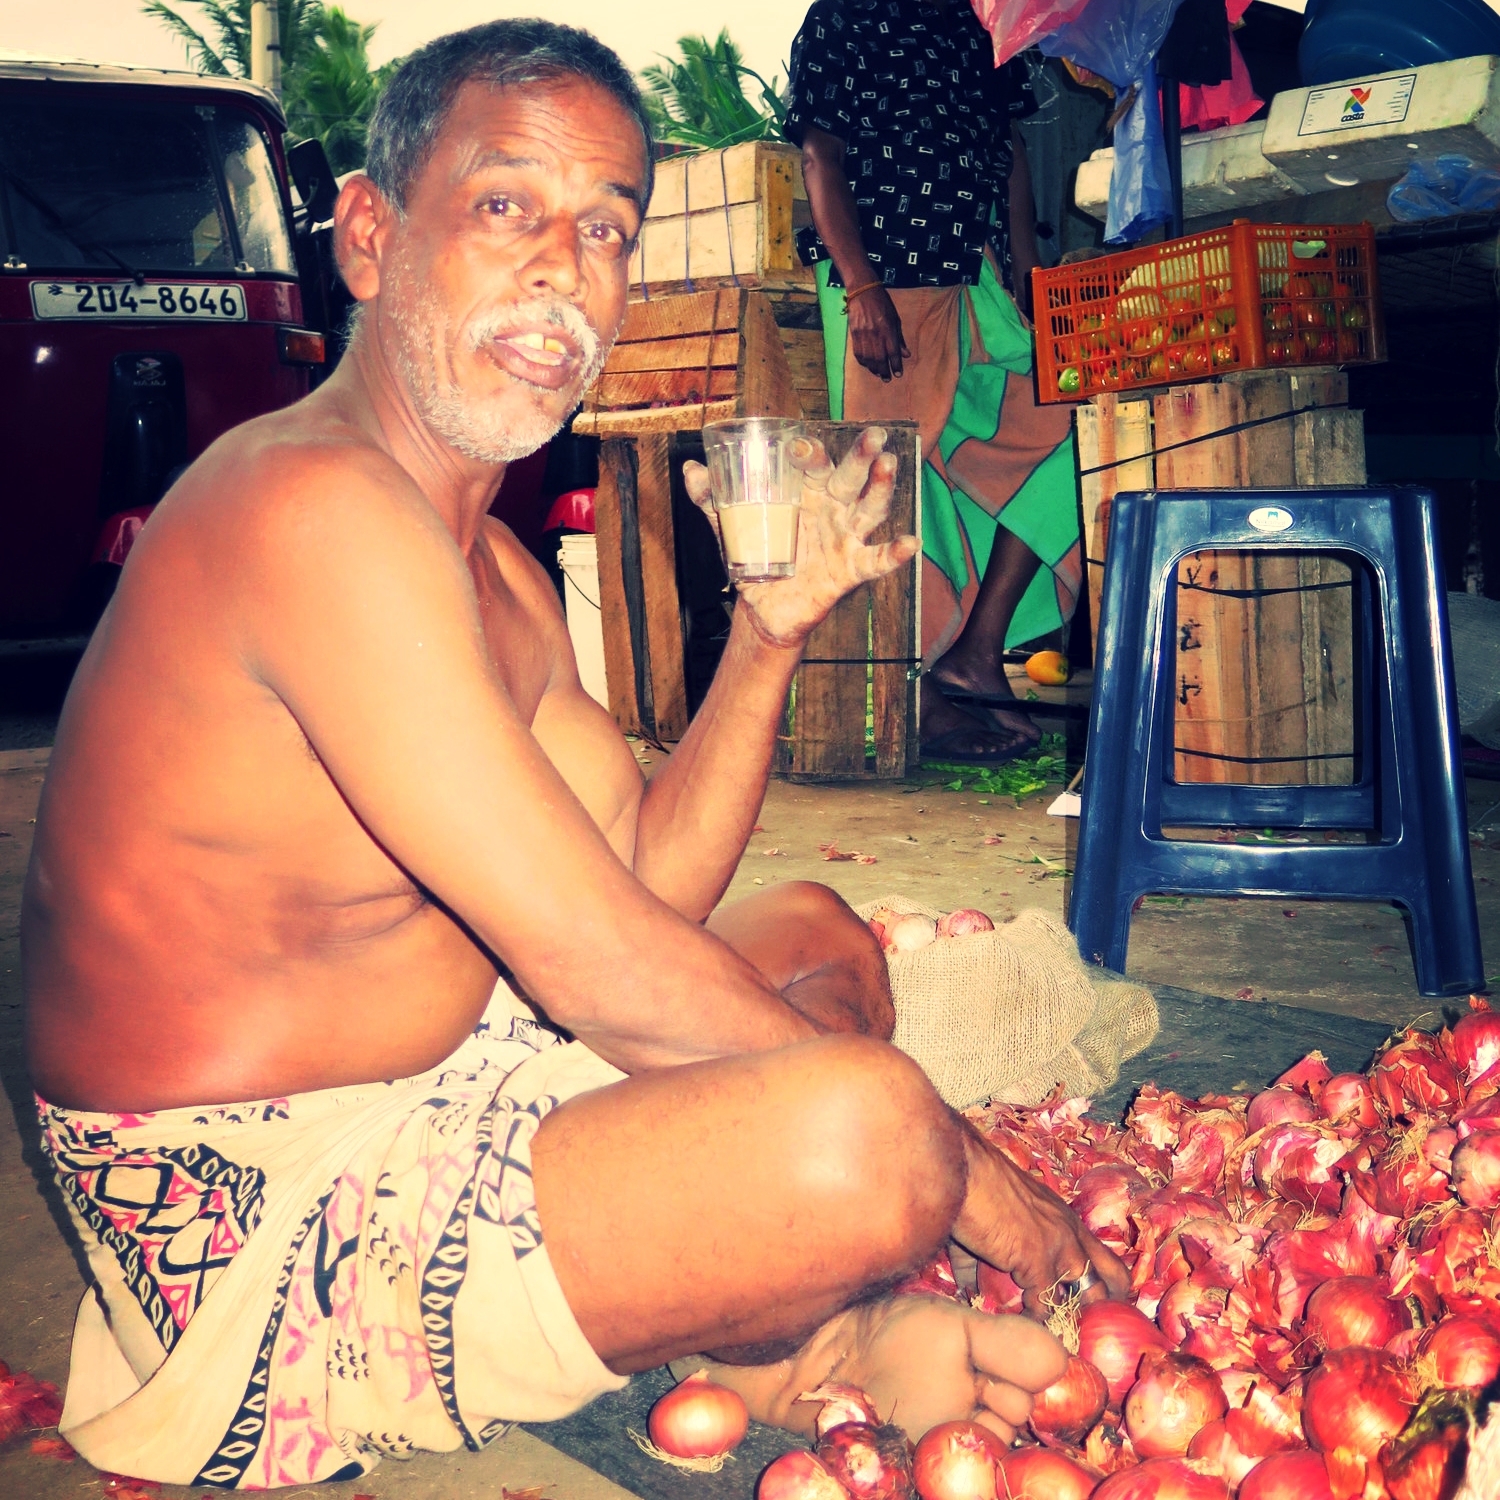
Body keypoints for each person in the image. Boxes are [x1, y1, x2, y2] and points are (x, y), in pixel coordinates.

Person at [20, 20, 1124, 1490]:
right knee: (875, 1140)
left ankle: (748, 1316)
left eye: (607, 227)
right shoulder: (306, 507)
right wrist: (989, 1192)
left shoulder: (492, 569)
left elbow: (647, 886)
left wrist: (770, 636)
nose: (566, 268)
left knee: (811, 937)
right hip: (253, 1203)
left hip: (447, 1081)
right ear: (368, 236)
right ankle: (786, 1330)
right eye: (505, 207)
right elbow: (603, 966)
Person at [786, 0, 1083, 763]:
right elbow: (820, 154)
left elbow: (1008, 153)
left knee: (1066, 432)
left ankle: (978, 653)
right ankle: (909, 698)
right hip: (886, 279)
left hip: (974, 279)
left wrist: (1026, 283)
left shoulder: (978, 27)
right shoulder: (844, 17)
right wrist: (861, 289)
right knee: (888, 487)